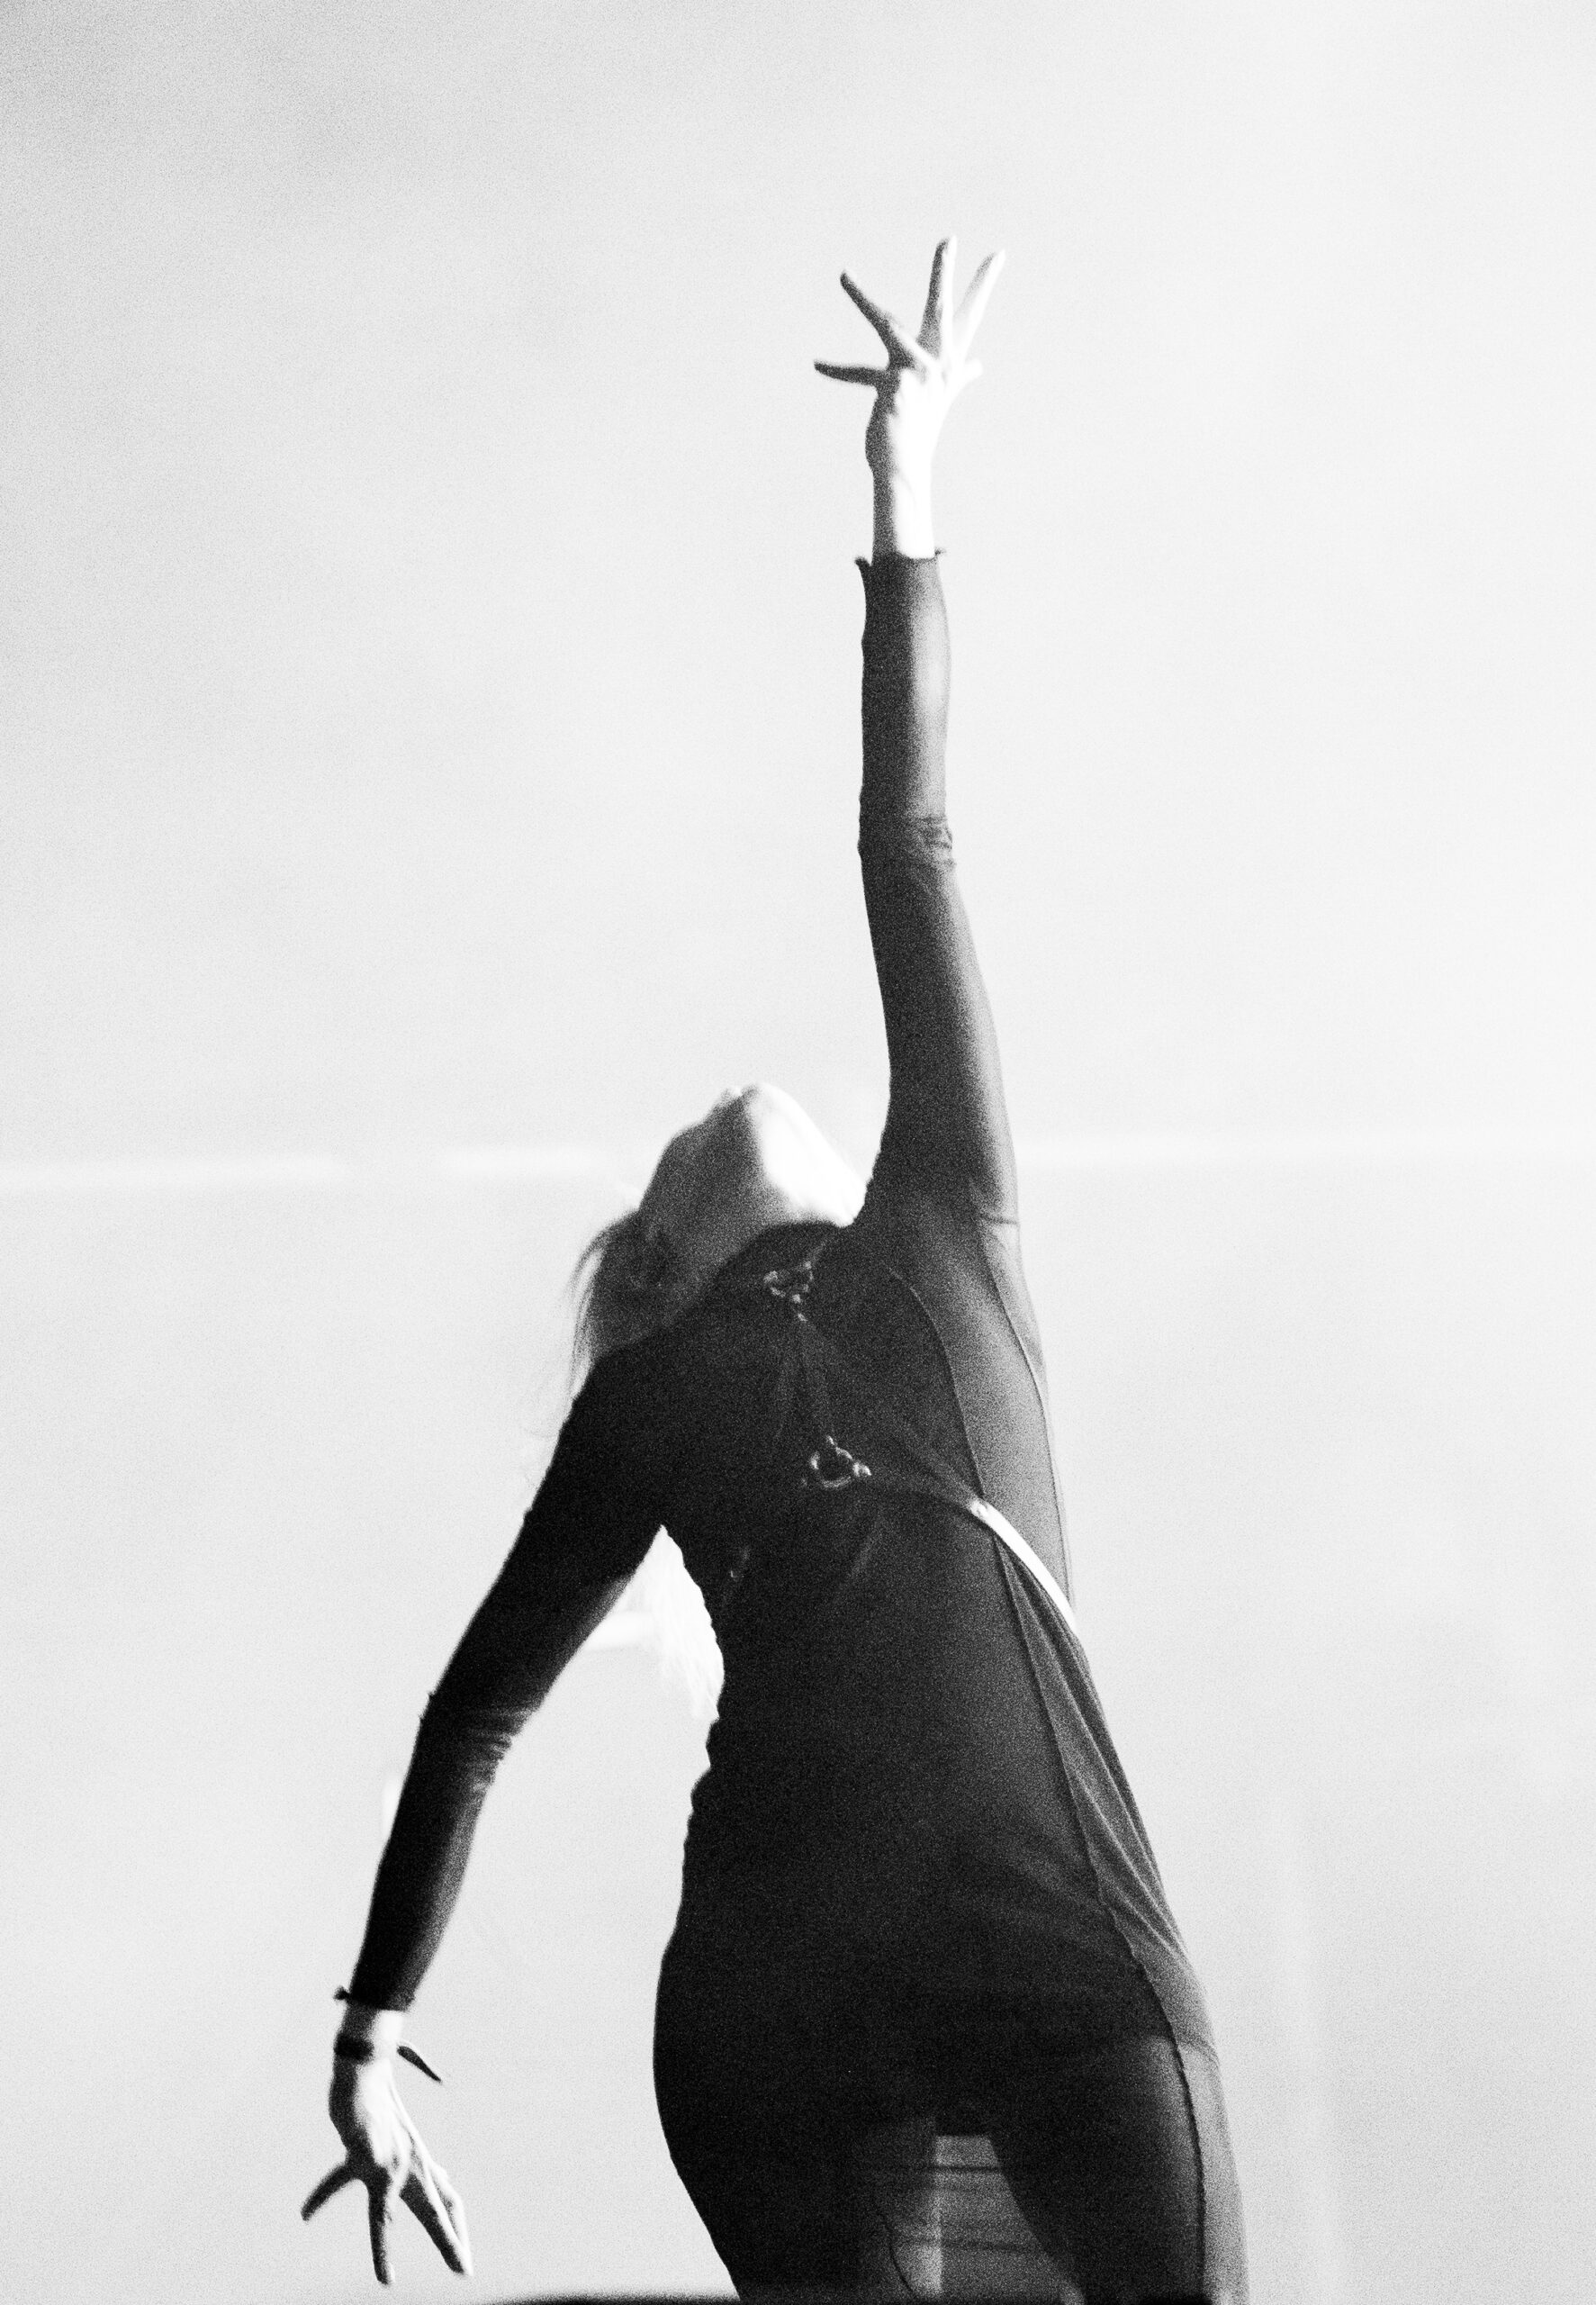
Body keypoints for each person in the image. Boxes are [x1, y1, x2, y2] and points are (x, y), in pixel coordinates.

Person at [302, 240, 1249, 2303]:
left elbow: (910, 848)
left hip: (1061, 1945)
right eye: (675, 1145)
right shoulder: (649, 1399)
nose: (734, 1093)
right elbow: (477, 1707)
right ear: (665, 1251)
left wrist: (906, 497)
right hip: (782, 1995)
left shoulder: (950, 1214)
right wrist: (370, 2026)